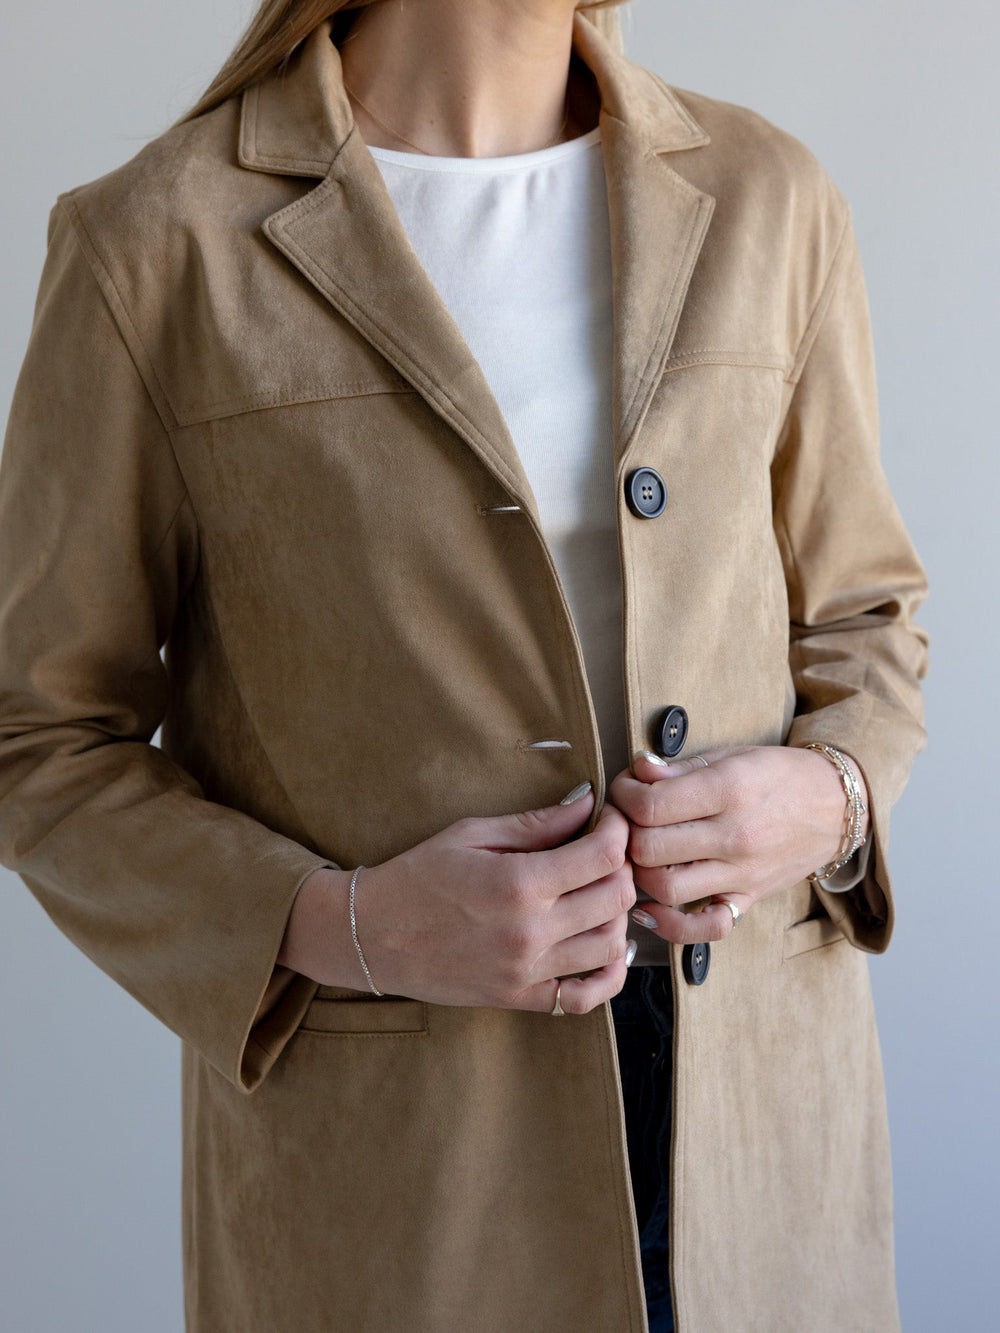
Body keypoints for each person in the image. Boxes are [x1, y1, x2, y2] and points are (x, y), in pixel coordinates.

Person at [0, 1, 928, 1329]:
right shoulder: (156, 244)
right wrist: (347, 923)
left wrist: (829, 797)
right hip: (404, 1181)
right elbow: (38, 737)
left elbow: (868, 619)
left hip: (765, 1146)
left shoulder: (768, 197)